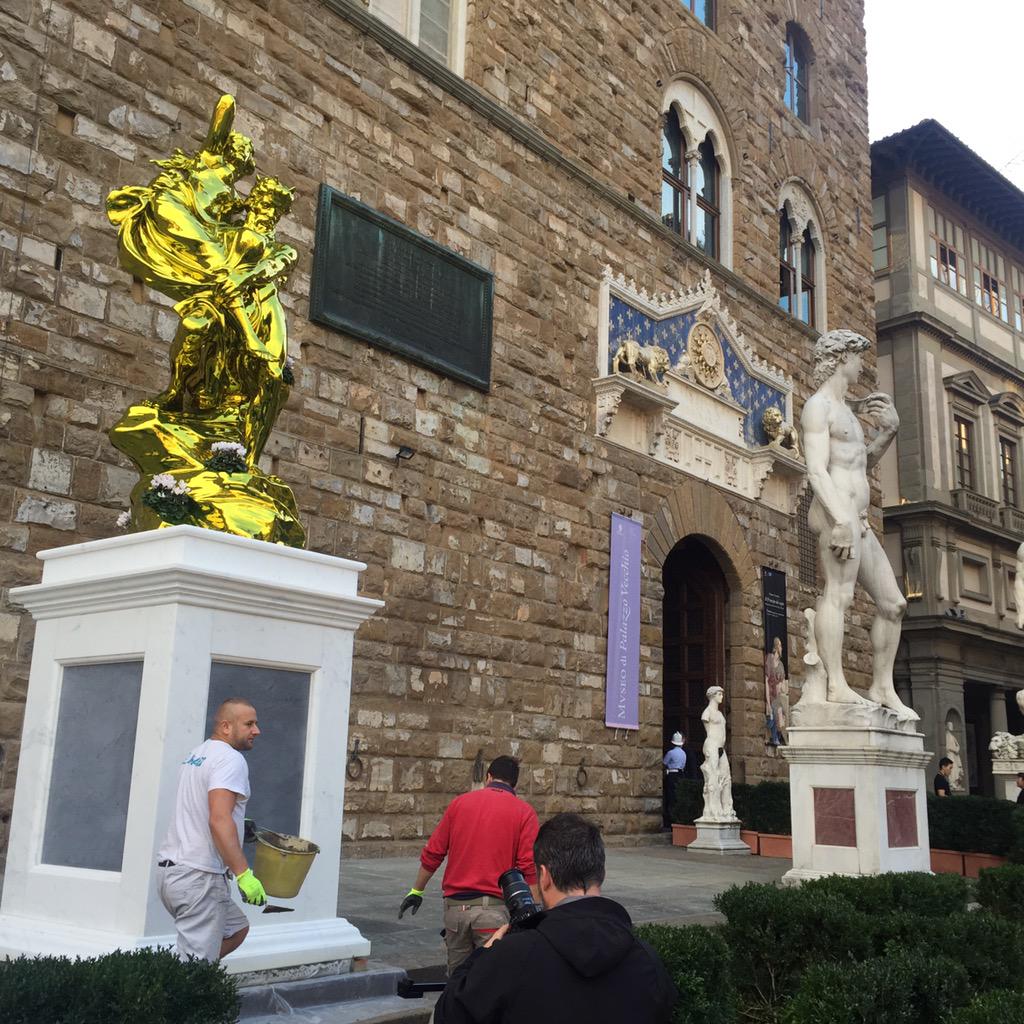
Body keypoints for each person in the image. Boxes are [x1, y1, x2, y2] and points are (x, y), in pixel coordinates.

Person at [433, 812, 676, 1024]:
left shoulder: (511, 956)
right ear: (601, 873)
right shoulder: (647, 959)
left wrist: (483, 954)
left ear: (544, 876)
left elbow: (448, 1014)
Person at [801, 329, 916, 720]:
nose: (863, 364)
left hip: (860, 519)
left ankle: (882, 686)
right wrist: (839, 521)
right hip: (838, 517)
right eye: (858, 356)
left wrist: (889, 431)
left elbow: (859, 460)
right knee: (839, 595)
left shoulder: (848, 409)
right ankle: (835, 683)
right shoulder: (819, 407)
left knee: (894, 604)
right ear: (841, 358)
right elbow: (817, 470)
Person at [398, 756, 539, 974]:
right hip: (493, 913)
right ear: (515, 784)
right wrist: (536, 911)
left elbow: (433, 852)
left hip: (455, 911)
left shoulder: (459, 804)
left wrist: (416, 891)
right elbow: (527, 866)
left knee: (456, 982)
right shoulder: (524, 812)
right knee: (490, 981)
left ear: (488, 777)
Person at [157, 698, 267, 961]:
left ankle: (179, 971)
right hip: (200, 877)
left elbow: (207, 809)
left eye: (257, 723)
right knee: (195, 969)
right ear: (226, 727)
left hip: (172, 874)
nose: (257, 731)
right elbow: (218, 819)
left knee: (236, 929)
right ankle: (180, 986)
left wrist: (240, 827)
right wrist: (243, 875)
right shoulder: (231, 759)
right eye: (249, 724)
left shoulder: (198, 753)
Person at [699, 686, 736, 821]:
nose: (721, 696)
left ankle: (727, 809)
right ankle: (713, 810)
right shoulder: (707, 713)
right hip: (712, 745)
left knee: (726, 777)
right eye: (719, 694)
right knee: (713, 776)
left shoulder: (720, 714)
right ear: (712, 695)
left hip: (721, 747)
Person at [764, 636, 789, 746]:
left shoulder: (781, 665)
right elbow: (766, 681)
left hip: (779, 695)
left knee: (783, 712)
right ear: (776, 646)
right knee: (776, 712)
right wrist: (768, 702)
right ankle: (776, 737)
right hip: (771, 695)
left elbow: (783, 684)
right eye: (780, 645)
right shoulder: (769, 659)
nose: (781, 648)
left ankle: (781, 737)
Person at [662, 731, 686, 827]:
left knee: (670, 797)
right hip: (681, 774)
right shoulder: (684, 753)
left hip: (672, 774)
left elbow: (664, 763)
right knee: (678, 797)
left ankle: (669, 820)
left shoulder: (671, 752)